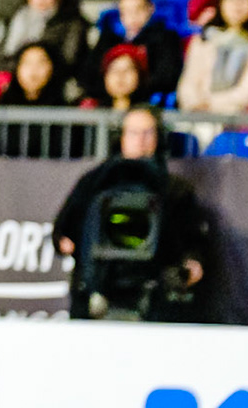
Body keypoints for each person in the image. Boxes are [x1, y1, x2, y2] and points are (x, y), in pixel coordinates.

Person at [52, 107, 207, 321]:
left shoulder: (175, 190)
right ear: (121, 136)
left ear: (159, 137)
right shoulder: (94, 183)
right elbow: (64, 229)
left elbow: (193, 240)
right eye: (134, 132)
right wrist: (63, 241)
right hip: (97, 291)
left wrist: (192, 263)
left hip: (154, 296)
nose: (141, 140)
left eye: (148, 133)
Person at [86, 0, 184, 100]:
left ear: (150, 9)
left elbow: (168, 76)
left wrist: (133, 87)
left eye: (138, 10)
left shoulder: (165, 38)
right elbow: (90, 75)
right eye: (126, 11)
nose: (132, 17)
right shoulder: (109, 39)